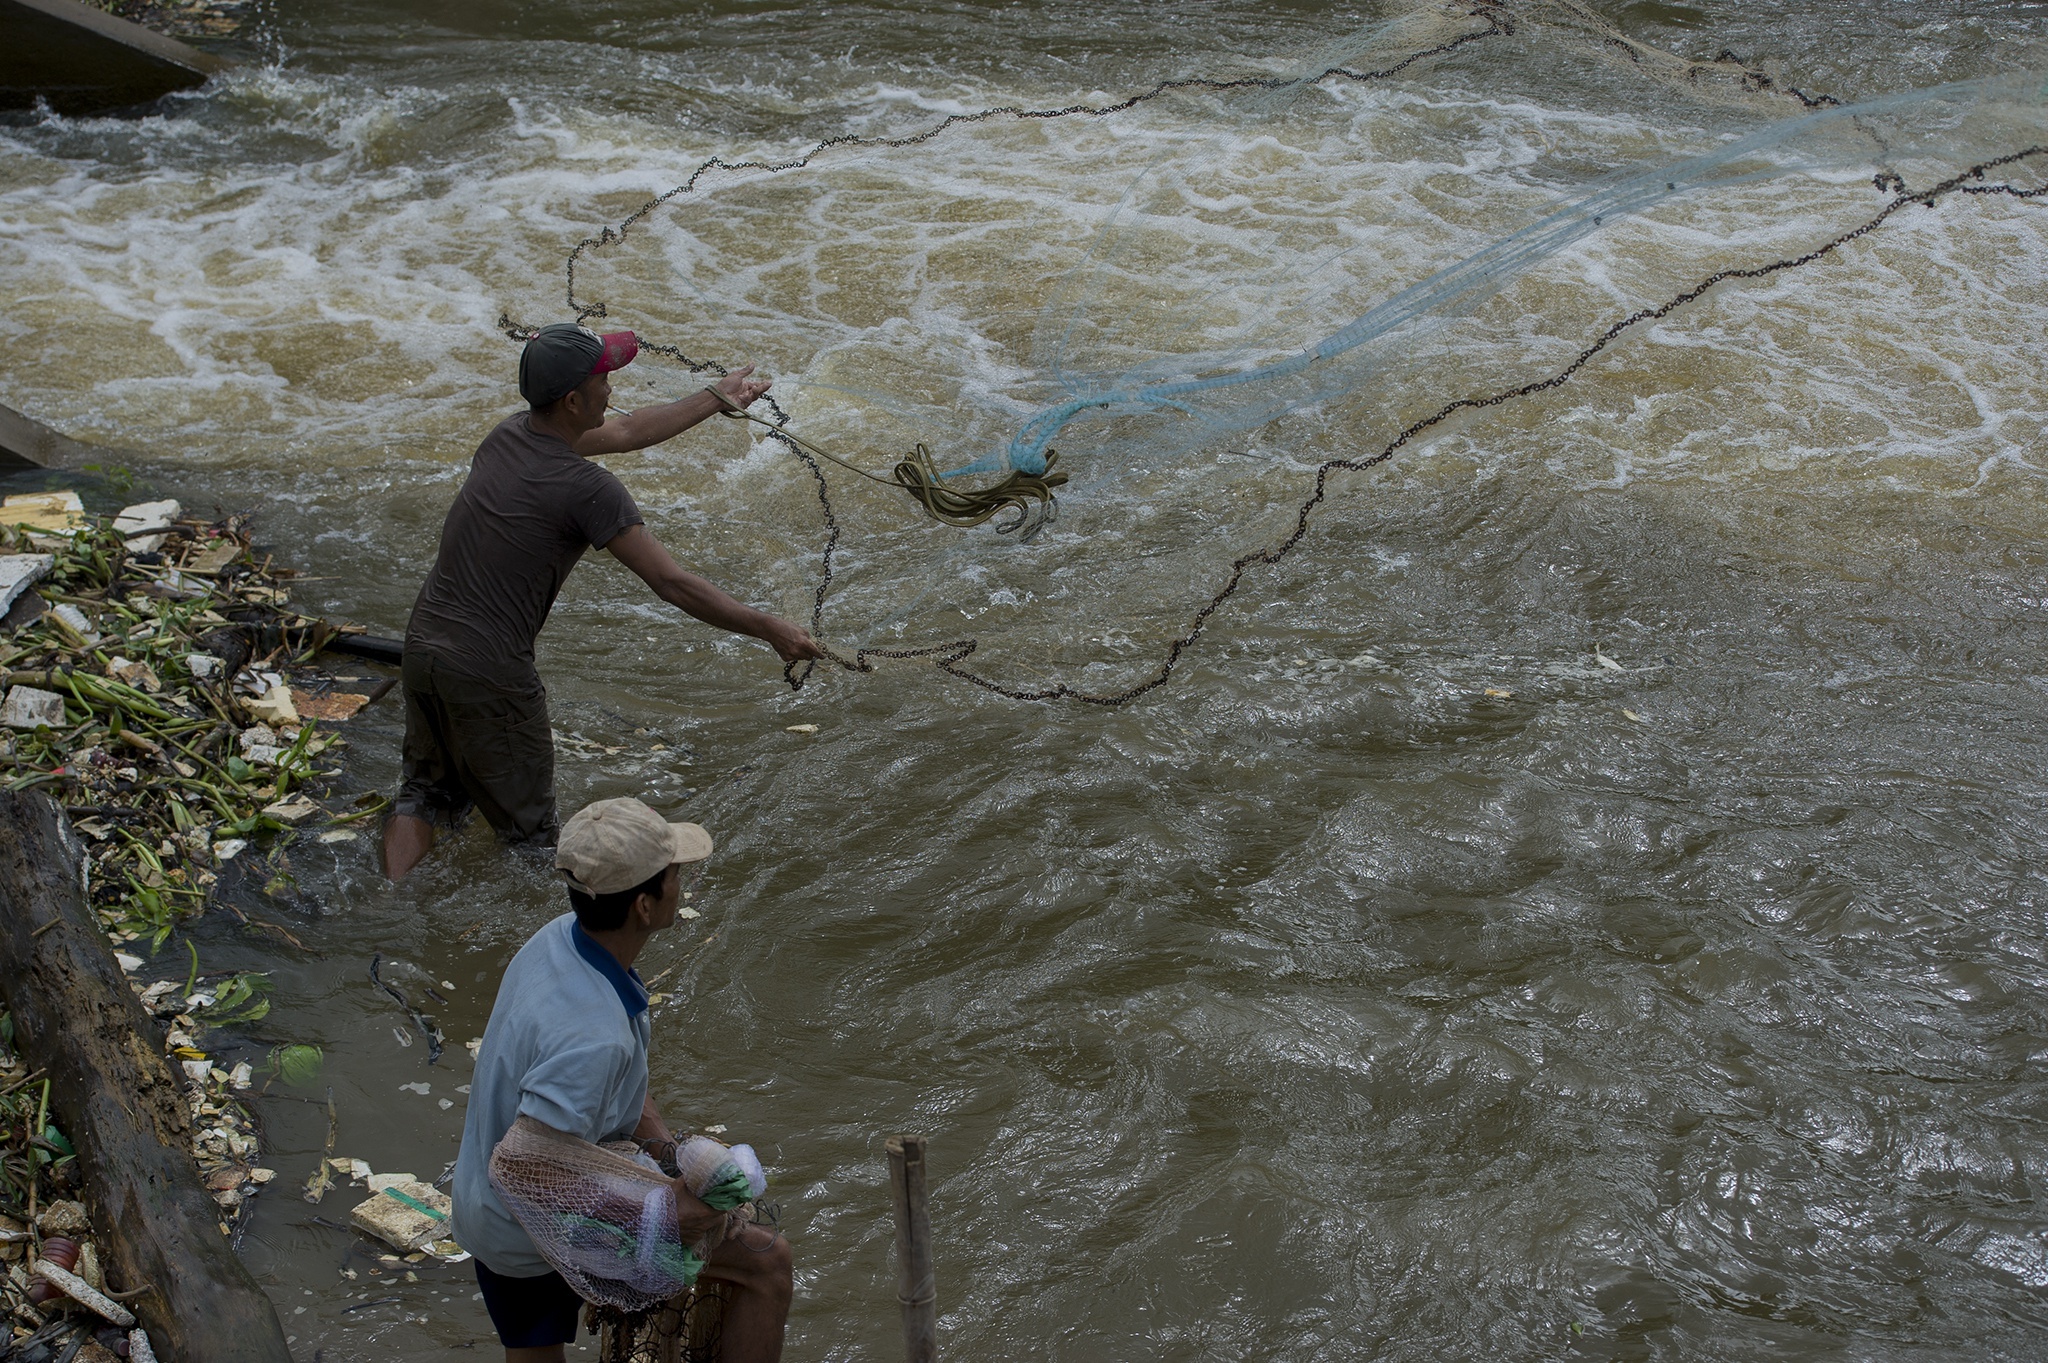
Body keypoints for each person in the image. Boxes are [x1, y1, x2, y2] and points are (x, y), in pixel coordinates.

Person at [384, 323, 823, 879]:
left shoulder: (509, 435)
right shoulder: (588, 489)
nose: (611, 388)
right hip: (490, 670)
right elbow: (672, 583)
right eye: (603, 379)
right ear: (572, 399)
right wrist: (770, 628)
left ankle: (392, 901)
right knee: (531, 840)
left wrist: (716, 399)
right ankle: (514, 943)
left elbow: (629, 430)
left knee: (423, 792)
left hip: (423, 648)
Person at [452, 796, 793, 1363]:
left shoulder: (561, 938)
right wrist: (661, 1213)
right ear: (643, 904)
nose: (681, 884)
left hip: (483, 1214)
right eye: (674, 875)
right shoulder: (592, 1037)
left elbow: (616, 1090)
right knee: (766, 1264)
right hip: (527, 1233)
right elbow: (528, 1167)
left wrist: (666, 1149)